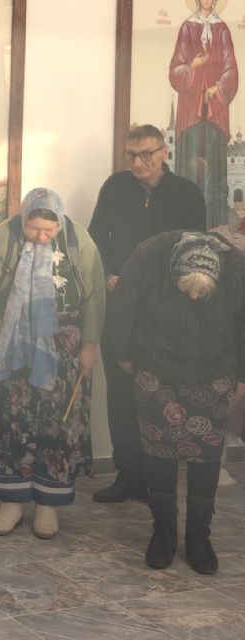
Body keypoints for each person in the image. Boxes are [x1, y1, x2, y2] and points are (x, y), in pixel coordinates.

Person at [0, 188, 105, 540]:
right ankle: (10, 503)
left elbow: (94, 296)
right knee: (11, 421)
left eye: (48, 230)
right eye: (33, 229)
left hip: (64, 349)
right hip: (11, 345)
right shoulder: (2, 238)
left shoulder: (79, 240)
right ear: (23, 217)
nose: (41, 236)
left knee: (58, 424)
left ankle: (48, 506)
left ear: (60, 223)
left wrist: (90, 345)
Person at [111, 231, 245, 574]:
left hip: (214, 370)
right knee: (159, 450)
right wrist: (123, 353)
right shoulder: (148, 255)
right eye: (187, 290)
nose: (194, 298)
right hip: (157, 367)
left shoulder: (236, 265)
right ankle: (163, 534)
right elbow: (123, 306)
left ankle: (199, 538)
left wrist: (243, 373)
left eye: (203, 292)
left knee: (207, 454)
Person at [87, 124, 206, 503]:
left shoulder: (187, 193)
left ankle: (161, 481)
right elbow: (95, 237)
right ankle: (129, 476)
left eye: (147, 154)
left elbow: (195, 248)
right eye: (132, 155)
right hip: (119, 305)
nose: (139, 163)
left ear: (163, 152)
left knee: (162, 396)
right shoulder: (114, 187)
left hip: (165, 311)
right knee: (121, 395)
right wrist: (108, 274)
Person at [169, 0, 238, 228]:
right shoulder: (187, 28)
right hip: (191, 112)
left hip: (215, 111)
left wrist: (218, 87)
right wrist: (193, 66)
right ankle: (183, 224)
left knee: (216, 174)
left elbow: (231, 68)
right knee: (189, 170)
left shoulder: (222, 30)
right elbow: (175, 71)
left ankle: (217, 225)